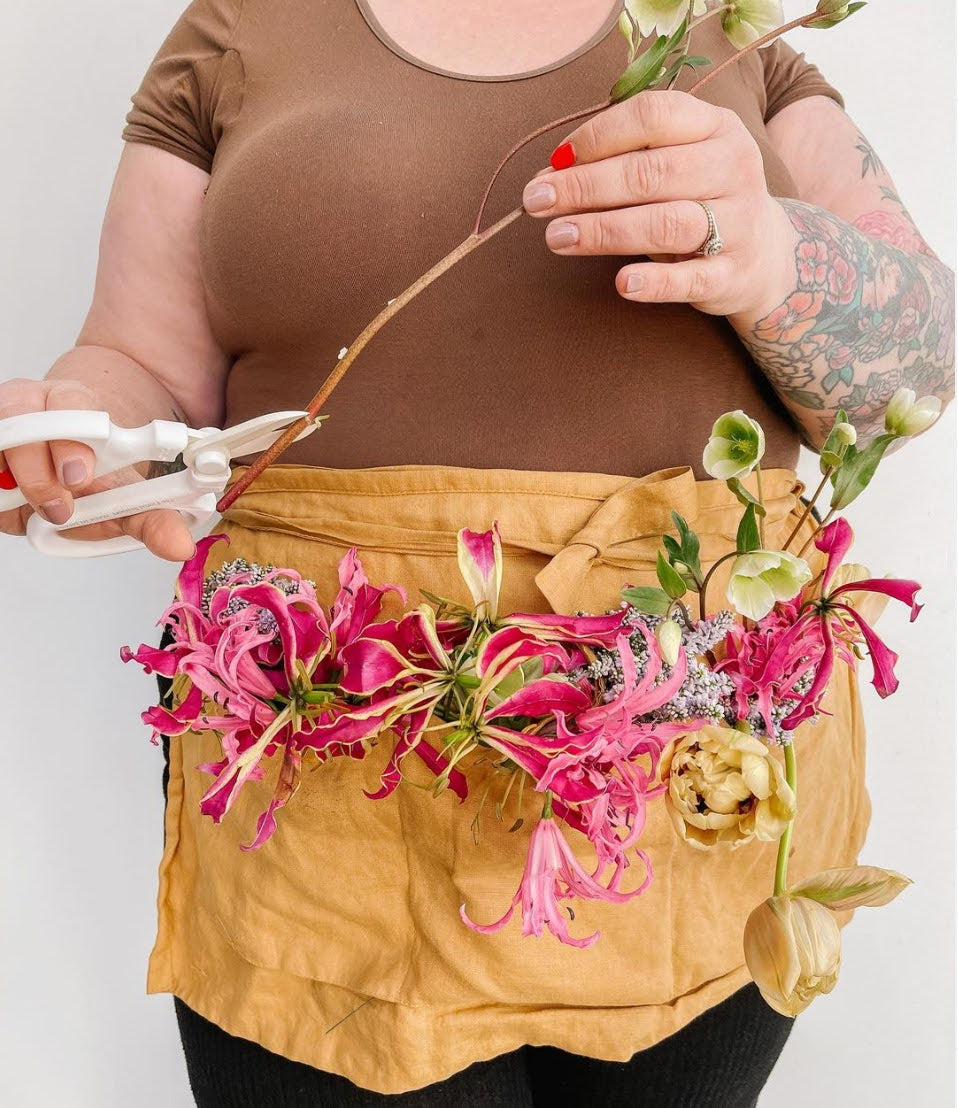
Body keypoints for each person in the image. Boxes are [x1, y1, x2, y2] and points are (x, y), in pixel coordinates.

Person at [0, 2, 952, 1105]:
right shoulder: (235, 26)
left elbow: (917, 374)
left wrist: (775, 253)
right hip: (322, 779)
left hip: (691, 769)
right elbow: (141, 362)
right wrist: (87, 440)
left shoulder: (730, 33)